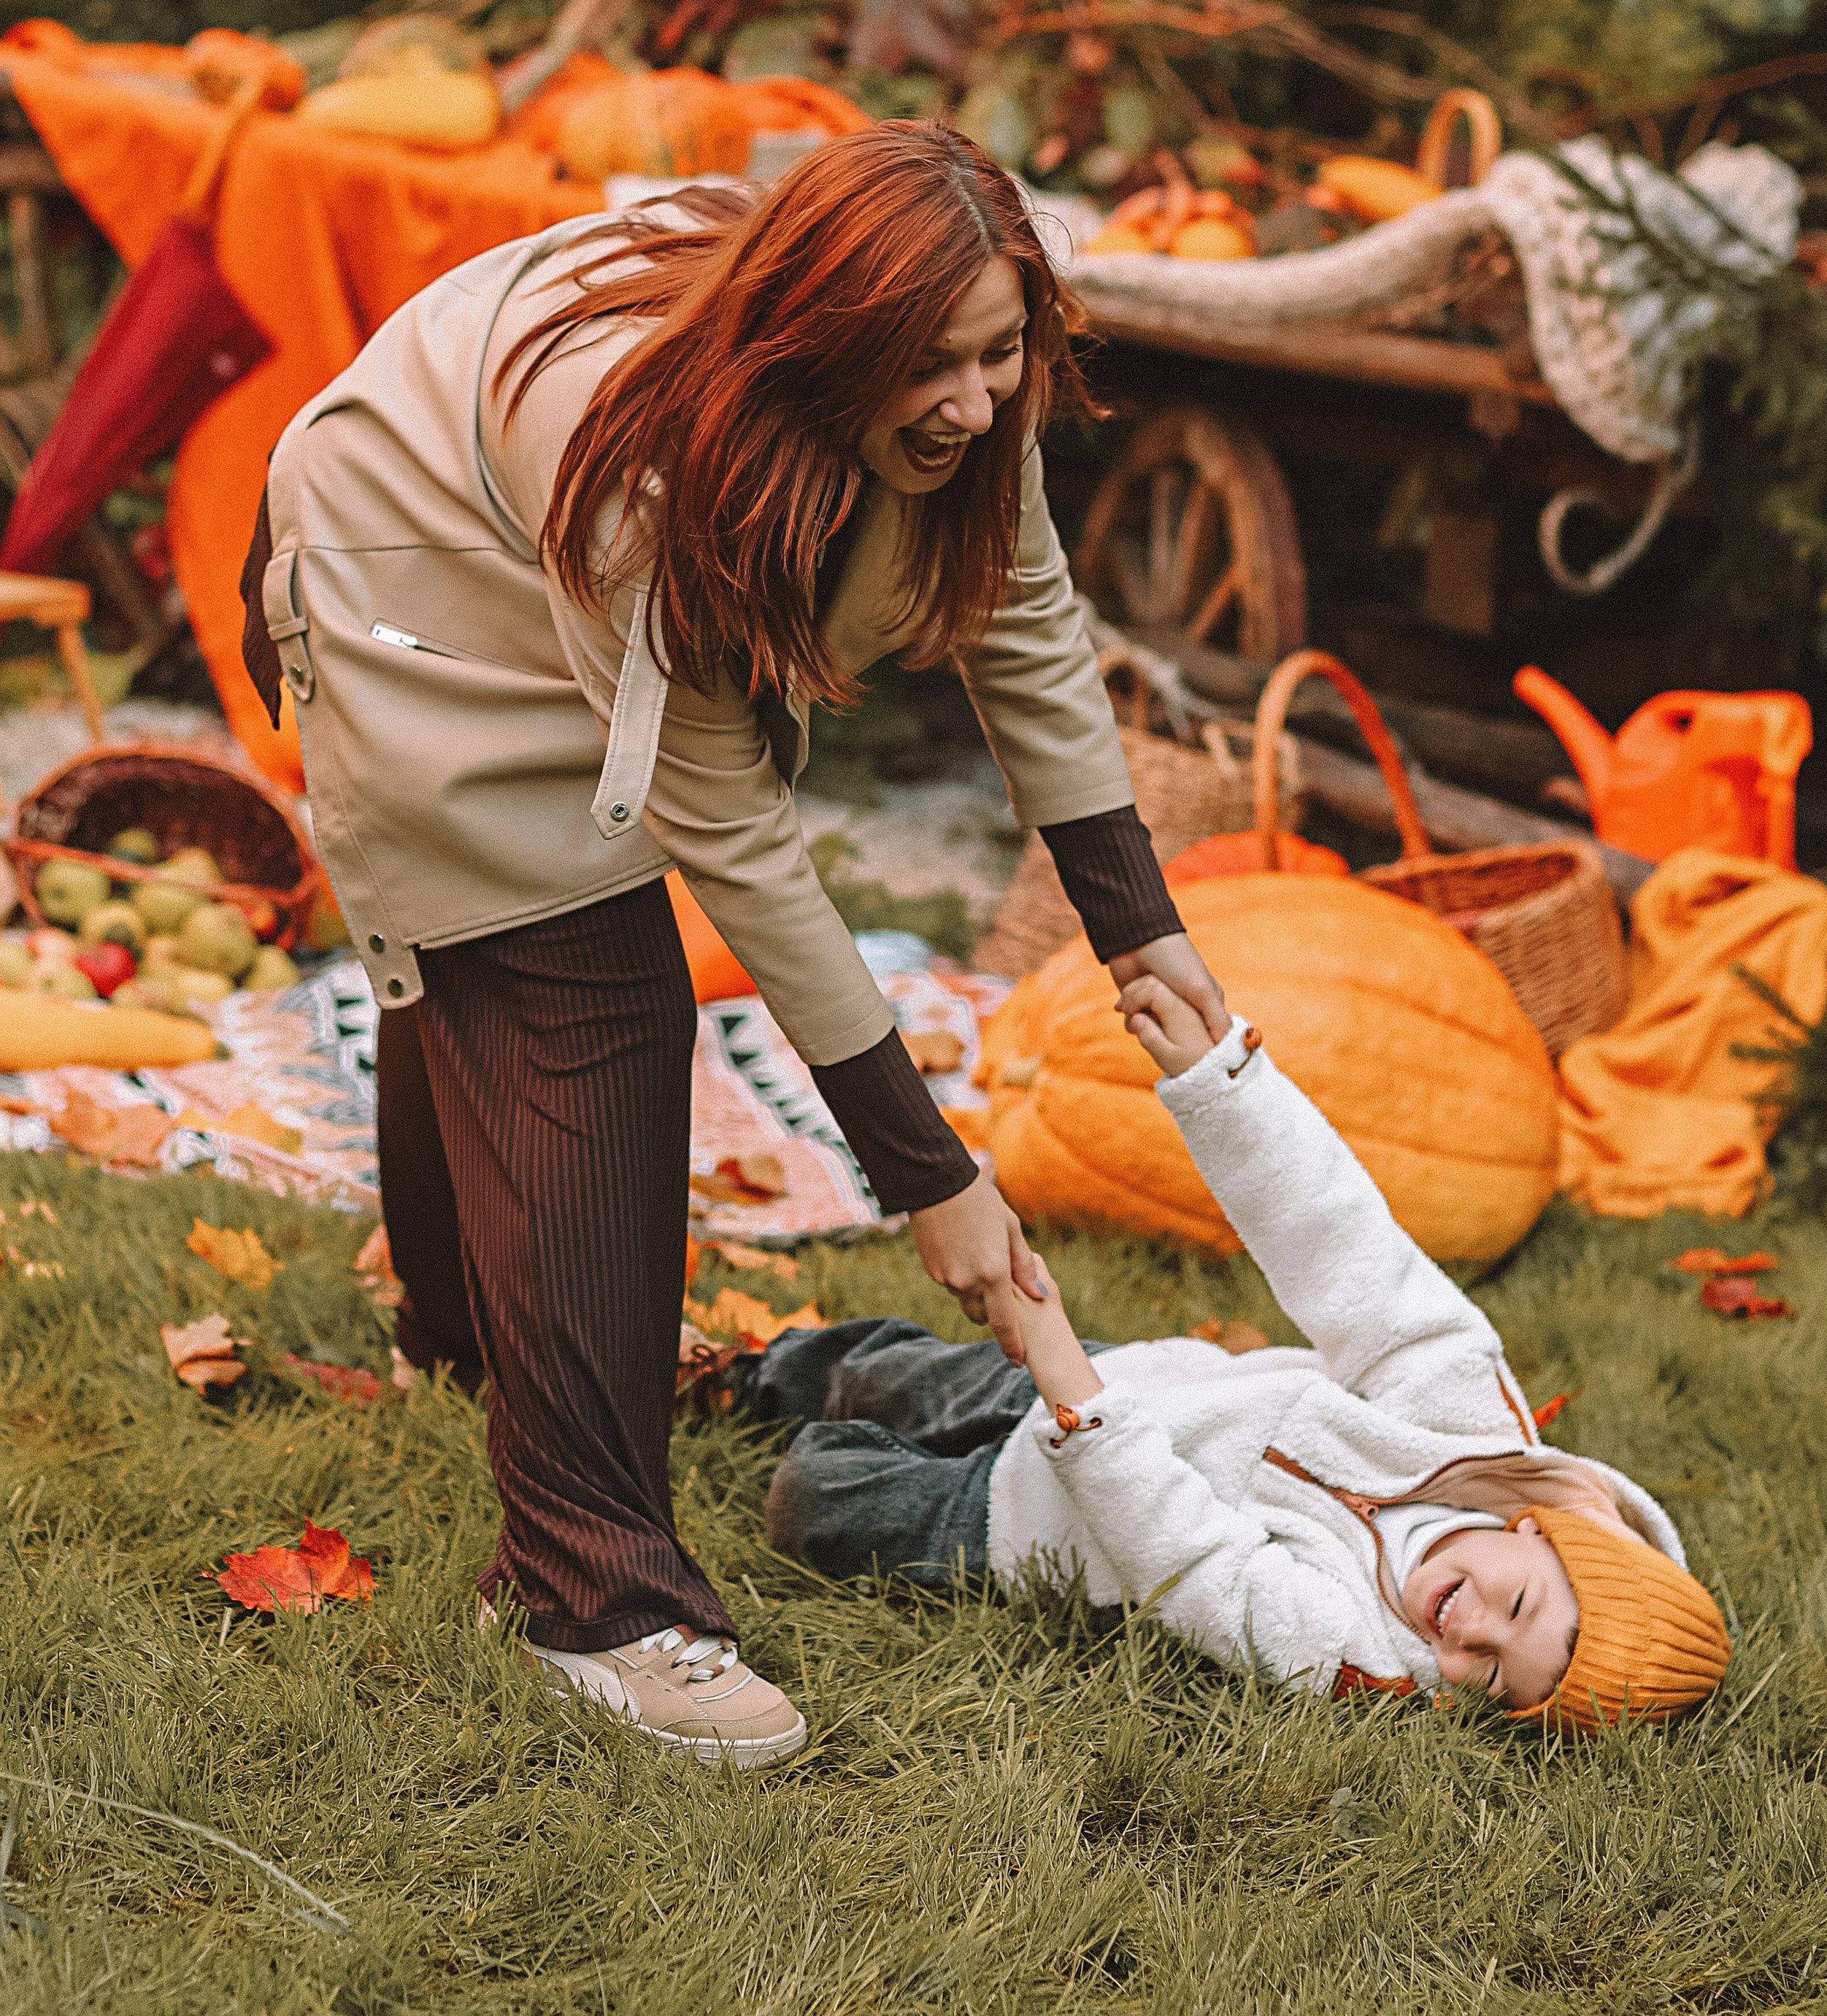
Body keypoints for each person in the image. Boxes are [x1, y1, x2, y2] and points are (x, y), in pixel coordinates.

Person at [239, 123, 1228, 1769]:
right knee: (579, 985)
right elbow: (742, 852)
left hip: (534, 549)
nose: (974, 402)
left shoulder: (966, 380)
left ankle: (461, 1345)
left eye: (1000, 354)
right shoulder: (649, 465)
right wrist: (930, 1177)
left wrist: (1142, 928)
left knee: (488, 960)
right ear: (823, 342)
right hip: (400, 564)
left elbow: (1029, 619)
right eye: (931, 366)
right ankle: (590, 1602)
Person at [737, 974, 1733, 1732]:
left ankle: (841, 1452)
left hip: (1040, 1519)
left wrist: (1065, 1382)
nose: (1471, 1632)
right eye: (1517, 1604)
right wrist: (1222, 1083)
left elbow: (1191, 1556)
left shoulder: (1354, 1657)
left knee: (820, 1505)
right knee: (882, 1374)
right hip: (1140, 1378)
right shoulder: (1466, 1417)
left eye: (1498, 1680)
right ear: (1539, 1531)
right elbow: (1347, 1251)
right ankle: (752, 1375)